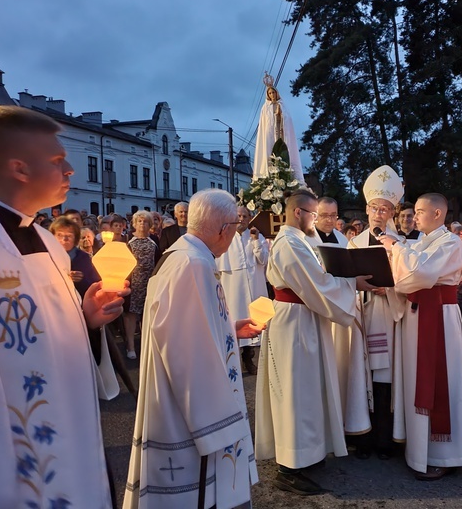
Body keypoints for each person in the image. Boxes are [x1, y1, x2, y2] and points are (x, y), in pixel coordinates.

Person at [0, 106, 127, 507]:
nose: (70, 171)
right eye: (57, 161)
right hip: (12, 465)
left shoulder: (47, 242)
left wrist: (87, 318)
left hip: (74, 429)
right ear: (19, 168)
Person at [125, 189, 262, 509]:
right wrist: (217, 427)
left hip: (175, 401)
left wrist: (228, 327)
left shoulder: (182, 254)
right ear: (224, 229)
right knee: (197, 494)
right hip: (187, 416)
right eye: (235, 228)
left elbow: (184, 326)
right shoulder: (193, 264)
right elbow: (185, 349)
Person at [255, 189, 375, 495]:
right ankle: (289, 468)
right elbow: (316, 282)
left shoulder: (300, 241)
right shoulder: (289, 243)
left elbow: (319, 277)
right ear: (299, 213)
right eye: (313, 213)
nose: (316, 220)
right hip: (294, 322)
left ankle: (307, 454)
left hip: (305, 319)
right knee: (295, 392)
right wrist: (353, 283)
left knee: (309, 390)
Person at [379, 193, 462, 480]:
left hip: (439, 317)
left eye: (420, 211)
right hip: (417, 314)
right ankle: (417, 447)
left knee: (440, 380)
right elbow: (404, 277)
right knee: (415, 379)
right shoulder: (422, 242)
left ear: (437, 214)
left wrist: (396, 246)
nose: (414, 216)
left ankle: (443, 454)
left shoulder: (450, 243)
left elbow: (419, 273)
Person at [346, 165, 407, 460]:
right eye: (374, 207)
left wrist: (391, 289)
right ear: (367, 208)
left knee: (385, 378)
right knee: (361, 375)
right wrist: (357, 286)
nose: (378, 213)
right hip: (362, 314)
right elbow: (344, 277)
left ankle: (386, 440)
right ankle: (362, 439)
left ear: (392, 212)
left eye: (384, 208)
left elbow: (410, 280)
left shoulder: (402, 245)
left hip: (388, 316)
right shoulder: (354, 244)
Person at [217, 205, 269, 375]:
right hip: (233, 284)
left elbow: (263, 259)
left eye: (244, 216)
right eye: (238, 215)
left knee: (254, 319)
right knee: (236, 317)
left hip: (254, 282)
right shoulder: (225, 235)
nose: (241, 219)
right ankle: (234, 359)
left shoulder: (257, 236)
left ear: (249, 218)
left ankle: (249, 357)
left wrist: (255, 241)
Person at [253, 73, 306, 185]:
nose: (272, 94)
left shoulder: (282, 105)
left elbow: (287, 119)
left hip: (281, 132)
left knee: (284, 152)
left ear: (277, 93)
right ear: (268, 94)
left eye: (273, 92)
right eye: (270, 93)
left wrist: (280, 115)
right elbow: (264, 124)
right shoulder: (265, 108)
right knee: (269, 152)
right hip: (270, 135)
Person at [123, 210, 161, 360]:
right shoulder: (128, 240)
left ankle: (146, 346)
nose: (142, 224)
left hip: (150, 281)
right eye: (139, 221)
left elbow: (158, 260)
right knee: (131, 314)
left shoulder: (154, 240)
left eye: (145, 221)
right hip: (134, 282)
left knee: (148, 314)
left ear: (150, 224)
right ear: (134, 223)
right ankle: (130, 346)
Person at [50, 216, 101, 298]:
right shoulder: (47, 257)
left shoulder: (83, 258)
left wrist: (81, 280)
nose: (64, 239)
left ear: (75, 238)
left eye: (69, 235)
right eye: (60, 235)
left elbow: (95, 285)